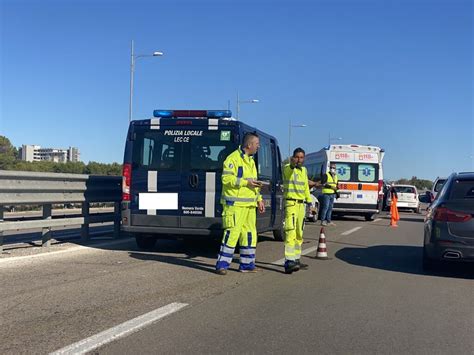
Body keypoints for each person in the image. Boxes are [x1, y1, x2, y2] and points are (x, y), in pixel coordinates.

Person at [215, 132, 266, 275]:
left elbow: (254, 184)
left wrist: (259, 199)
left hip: (249, 205)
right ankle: (222, 265)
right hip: (235, 205)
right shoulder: (233, 159)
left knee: (249, 235)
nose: (258, 147)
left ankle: (247, 265)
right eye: (257, 144)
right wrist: (245, 182)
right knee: (232, 234)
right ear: (249, 145)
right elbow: (226, 179)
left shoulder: (250, 161)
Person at [283, 148, 312, 274]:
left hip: (301, 205)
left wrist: (309, 202)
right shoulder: (288, 168)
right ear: (293, 158)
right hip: (291, 203)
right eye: (297, 157)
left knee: (299, 233)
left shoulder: (304, 170)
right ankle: (289, 261)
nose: (299, 160)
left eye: (301, 157)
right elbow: (288, 172)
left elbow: (305, 187)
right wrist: (292, 164)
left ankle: (296, 259)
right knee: (291, 232)